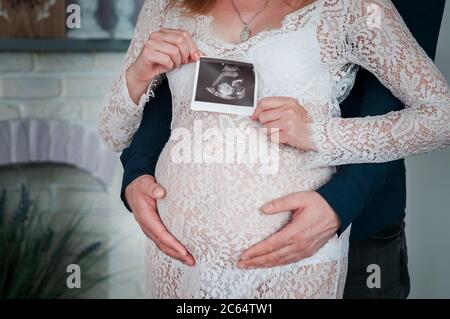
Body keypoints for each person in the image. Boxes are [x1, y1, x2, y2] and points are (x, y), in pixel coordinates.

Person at [99, 0, 449, 298]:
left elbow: (438, 117)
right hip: (178, 258)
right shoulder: (167, 5)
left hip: (303, 250)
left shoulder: (352, 8)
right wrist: (136, 80)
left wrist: (319, 137)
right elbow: (119, 130)